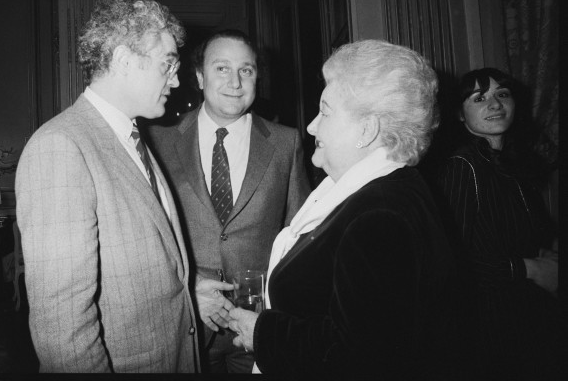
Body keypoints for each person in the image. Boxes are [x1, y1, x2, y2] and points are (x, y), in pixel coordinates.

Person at [227, 40, 460, 378]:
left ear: (366, 130)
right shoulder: (373, 191)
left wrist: (262, 333)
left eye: (325, 111)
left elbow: (363, 357)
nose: (311, 126)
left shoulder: (379, 215)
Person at [15, 0, 221, 373]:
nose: (176, 81)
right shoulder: (61, 146)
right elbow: (63, 328)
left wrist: (186, 290)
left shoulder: (132, 138)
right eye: (168, 64)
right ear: (125, 60)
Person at [147, 29, 310, 373]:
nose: (235, 81)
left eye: (246, 70)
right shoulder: (158, 142)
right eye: (221, 68)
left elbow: (300, 235)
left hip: (256, 327)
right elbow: (148, 238)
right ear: (199, 76)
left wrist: (278, 313)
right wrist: (188, 287)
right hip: (187, 322)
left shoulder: (285, 143)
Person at [435, 68, 566, 380]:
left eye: (502, 94)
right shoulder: (462, 166)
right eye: (479, 98)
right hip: (489, 332)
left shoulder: (515, 167)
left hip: (529, 323)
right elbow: (450, 262)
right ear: (460, 115)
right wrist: (530, 268)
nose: (494, 104)